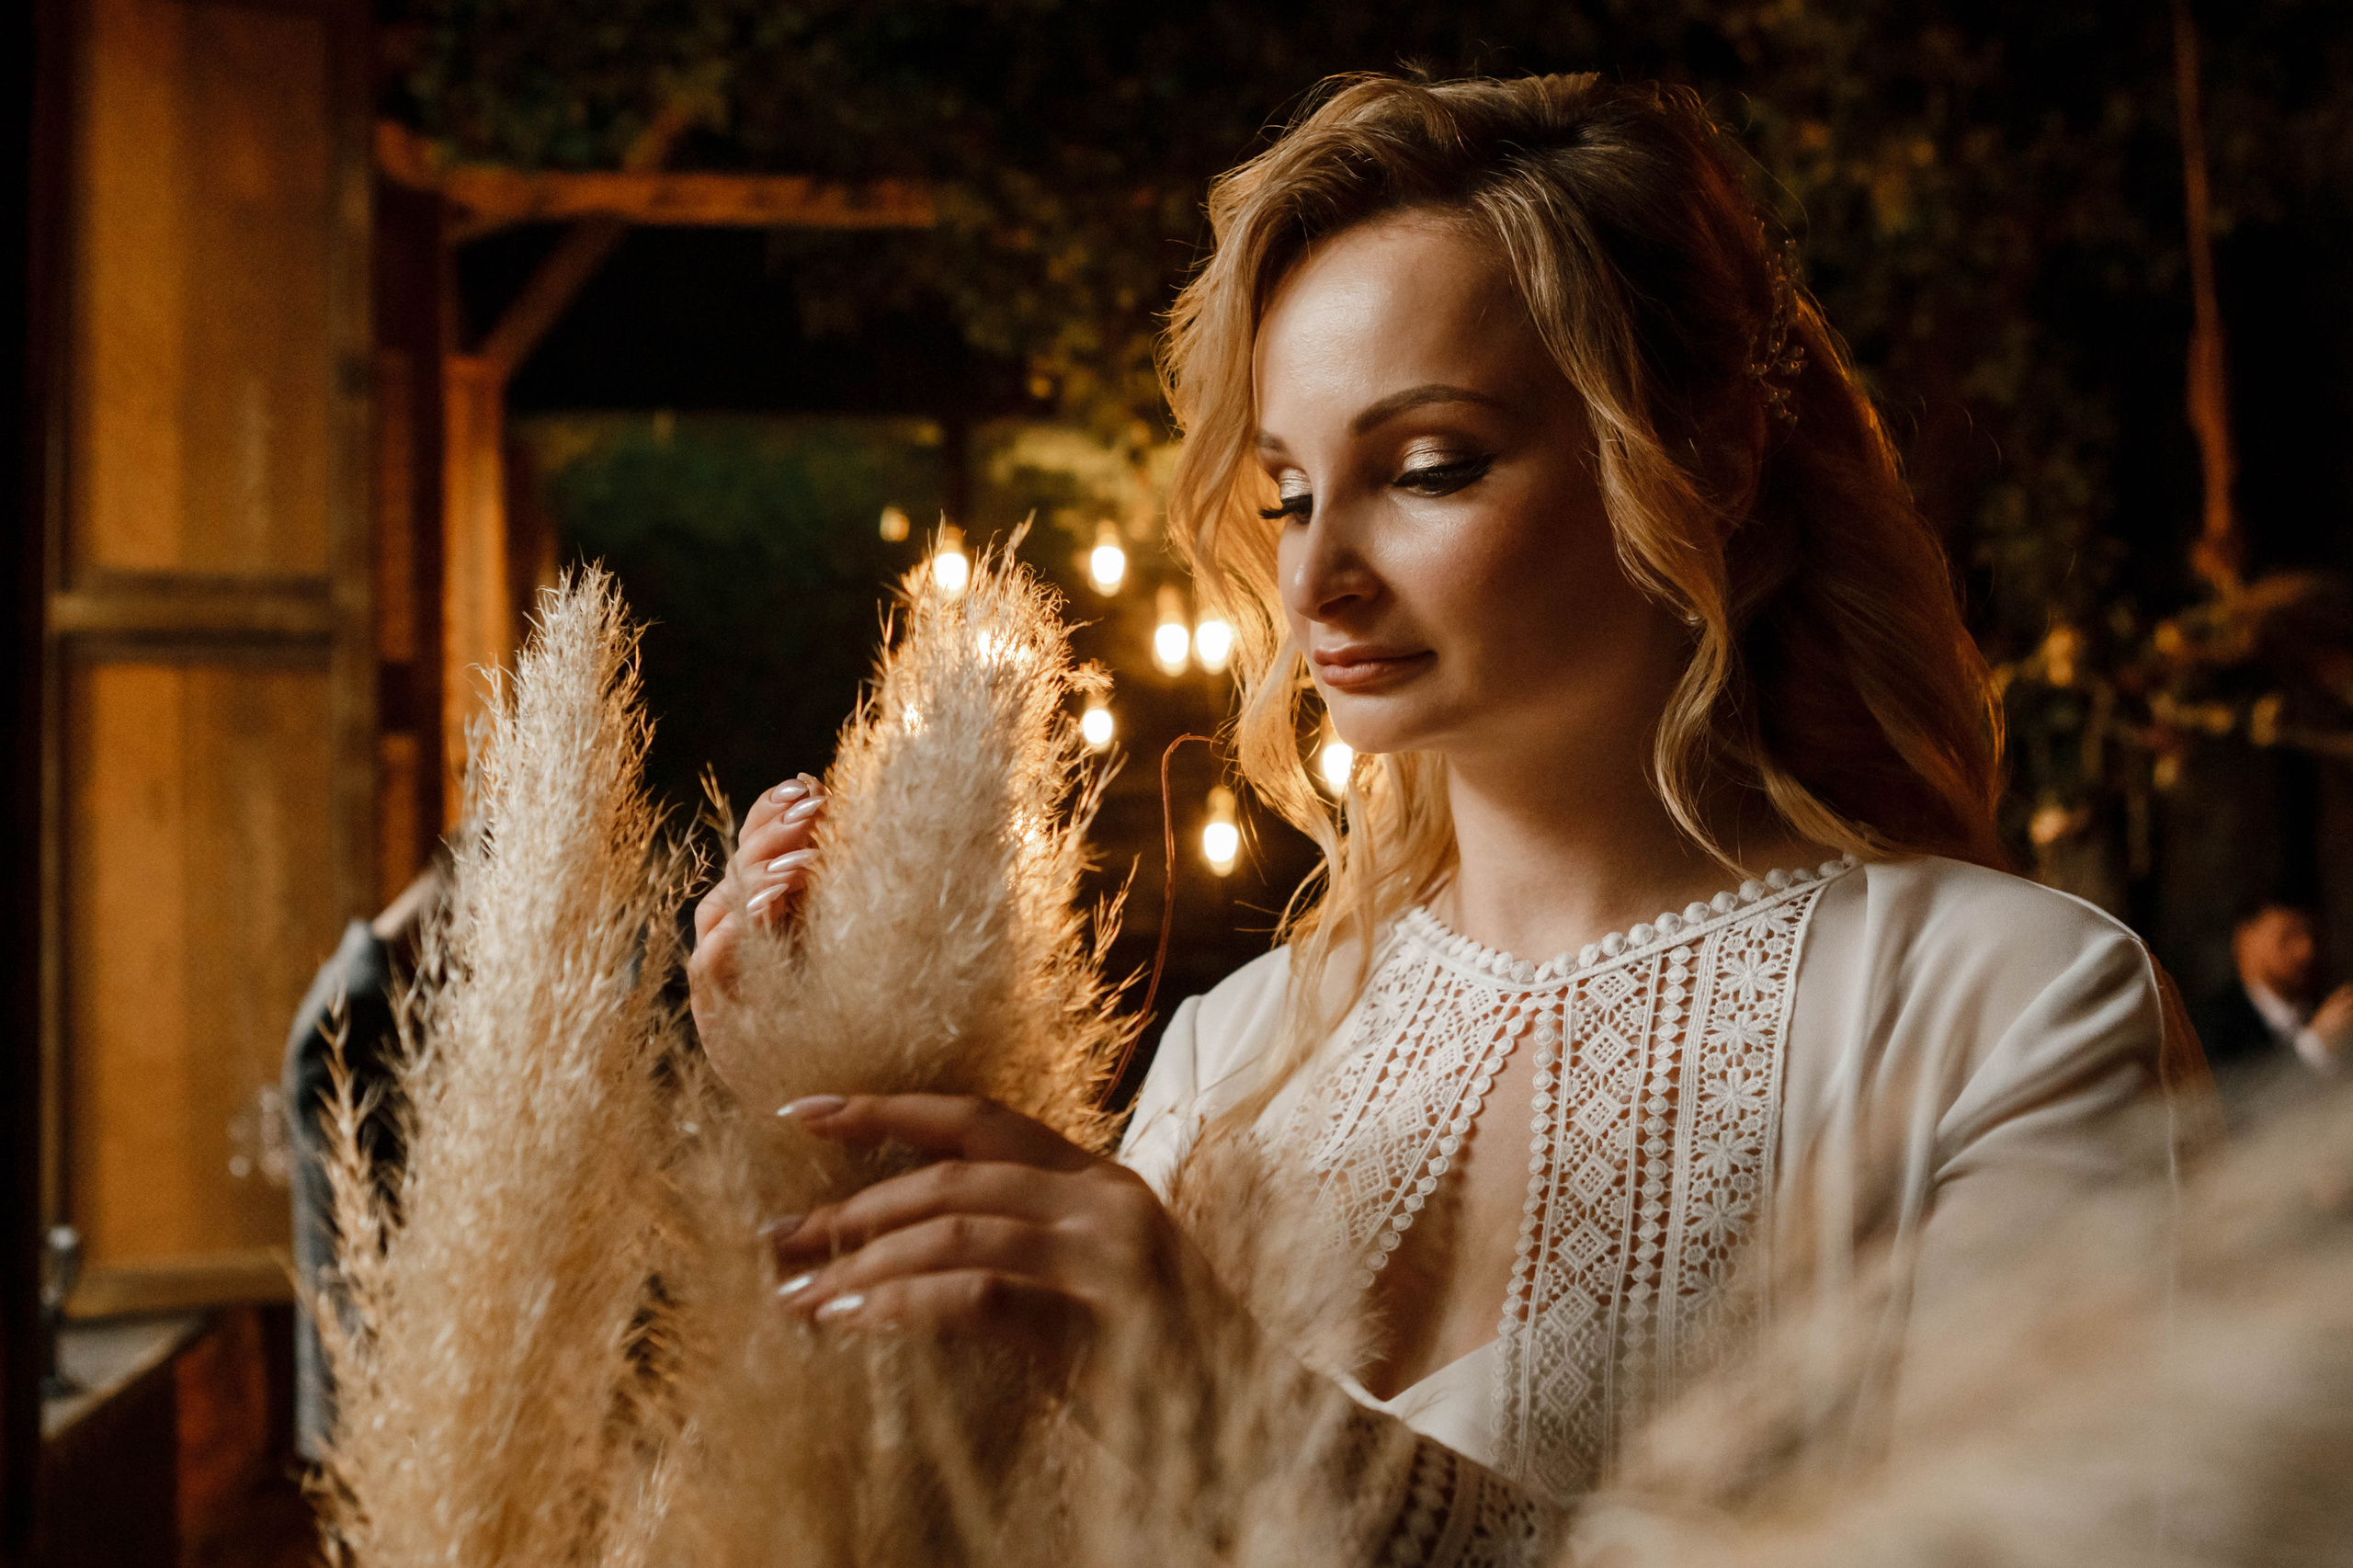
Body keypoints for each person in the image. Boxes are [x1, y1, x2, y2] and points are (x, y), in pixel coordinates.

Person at [687, 74, 2196, 1562]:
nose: (1315, 576)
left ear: (1708, 458)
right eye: (1288, 493)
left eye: (1428, 469)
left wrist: (1239, 1414)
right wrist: (832, 1102)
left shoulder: (2004, 1004)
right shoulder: (1233, 1056)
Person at [2189, 897, 2352, 1084]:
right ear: (2245, 939)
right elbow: (2238, 1094)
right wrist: (2315, 1047)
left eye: (2311, 935)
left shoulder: (2320, 1007)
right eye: (2288, 937)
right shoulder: (2209, 1024)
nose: (2306, 950)